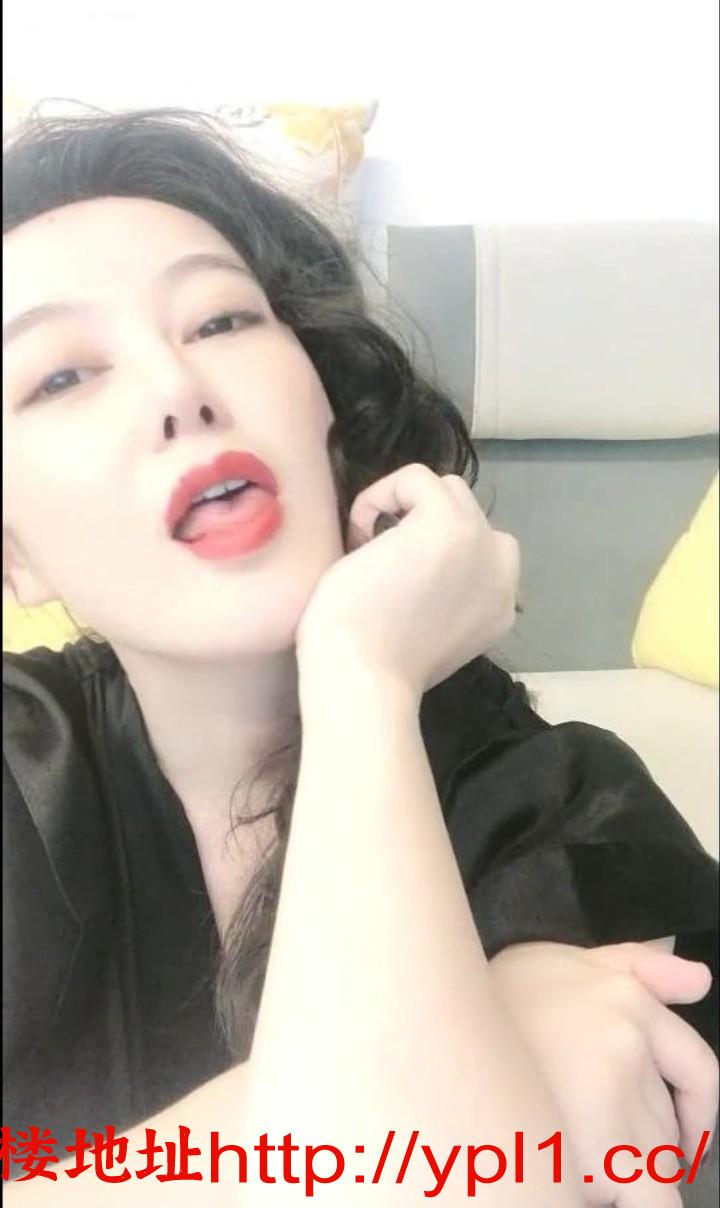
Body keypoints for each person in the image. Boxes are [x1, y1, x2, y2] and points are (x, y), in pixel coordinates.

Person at [2, 108, 717, 1206]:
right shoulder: (23, 773)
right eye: (60, 377)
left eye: (223, 319)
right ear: (12, 553)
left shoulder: (565, 806)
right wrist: (478, 1036)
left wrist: (360, 678)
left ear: (325, 401)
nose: (179, 389)